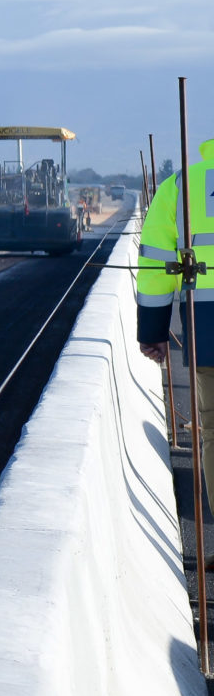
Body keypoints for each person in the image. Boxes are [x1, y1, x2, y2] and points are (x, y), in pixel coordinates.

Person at [138, 142, 214, 532]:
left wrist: (153, 331)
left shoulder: (183, 185)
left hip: (208, 325)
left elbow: (155, 262)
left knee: (213, 429)